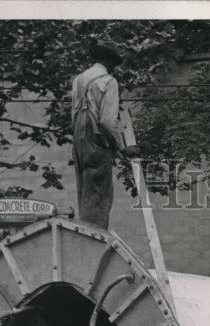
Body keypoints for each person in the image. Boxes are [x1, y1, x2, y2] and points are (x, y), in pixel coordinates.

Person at [71, 38, 140, 228]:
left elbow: (73, 117)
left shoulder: (78, 80)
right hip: (97, 144)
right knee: (99, 197)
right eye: (113, 63)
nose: (114, 68)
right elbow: (107, 122)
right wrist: (122, 148)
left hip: (79, 144)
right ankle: (95, 240)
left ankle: (87, 233)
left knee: (85, 194)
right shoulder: (109, 81)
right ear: (107, 61)